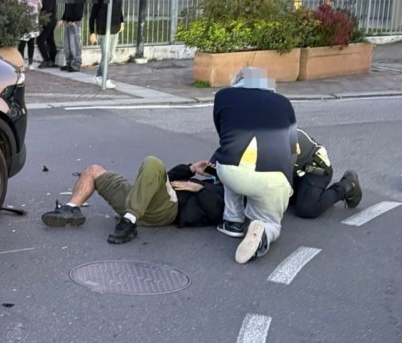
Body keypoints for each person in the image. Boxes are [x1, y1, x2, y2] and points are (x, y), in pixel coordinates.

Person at [212, 67, 297, 264]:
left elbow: (223, 134)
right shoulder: (284, 103)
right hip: (274, 176)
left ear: (237, 81)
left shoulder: (223, 96)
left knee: (228, 156)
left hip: (233, 171)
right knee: (273, 223)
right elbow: (293, 148)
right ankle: (264, 231)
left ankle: (233, 221)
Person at [41, 157, 224, 243]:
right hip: (139, 199)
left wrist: (201, 188)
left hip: (166, 209)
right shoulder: (212, 179)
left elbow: (216, 212)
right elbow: (166, 177)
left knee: (153, 162)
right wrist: (191, 169)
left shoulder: (230, 193)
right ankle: (71, 208)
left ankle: (129, 222)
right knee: (93, 170)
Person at [291, 129, 361, 218]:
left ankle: (347, 185)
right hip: (296, 170)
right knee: (281, 198)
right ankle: (301, 192)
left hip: (316, 169)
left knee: (307, 209)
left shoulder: (285, 140)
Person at [90, 0, 123, 90]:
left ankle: (98, 75)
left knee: (110, 55)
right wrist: (92, 32)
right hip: (104, 31)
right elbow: (92, 15)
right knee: (106, 55)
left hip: (115, 30)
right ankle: (105, 79)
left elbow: (119, 10)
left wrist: (122, 22)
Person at [59, 0, 84, 72]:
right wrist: (63, 18)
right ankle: (69, 63)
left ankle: (76, 63)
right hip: (68, 22)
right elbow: (67, 8)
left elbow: (78, 8)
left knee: (75, 44)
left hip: (74, 22)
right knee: (67, 45)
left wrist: (73, 20)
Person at [19, 0, 41, 67]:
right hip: (25, 22)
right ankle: (20, 62)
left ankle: (30, 63)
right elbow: (19, 7)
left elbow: (40, 7)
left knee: (31, 43)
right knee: (22, 42)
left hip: (33, 22)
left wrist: (38, 3)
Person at [37, 0, 58, 67]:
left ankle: (47, 60)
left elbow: (48, 9)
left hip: (48, 21)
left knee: (40, 40)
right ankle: (52, 60)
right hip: (50, 20)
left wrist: (40, 11)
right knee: (50, 40)